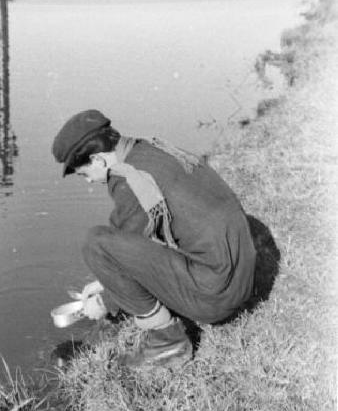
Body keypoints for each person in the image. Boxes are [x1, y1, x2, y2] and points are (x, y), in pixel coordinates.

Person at [52, 109, 256, 368]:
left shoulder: (127, 179)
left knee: (95, 243)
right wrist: (103, 283)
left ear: (98, 159)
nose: (90, 182)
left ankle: (167, 342)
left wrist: (104, 303)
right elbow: (137, 245)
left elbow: (119, 247)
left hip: (216, 296)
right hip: (240, 277)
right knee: (109, 247)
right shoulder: (150, 149)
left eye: (84, 174)